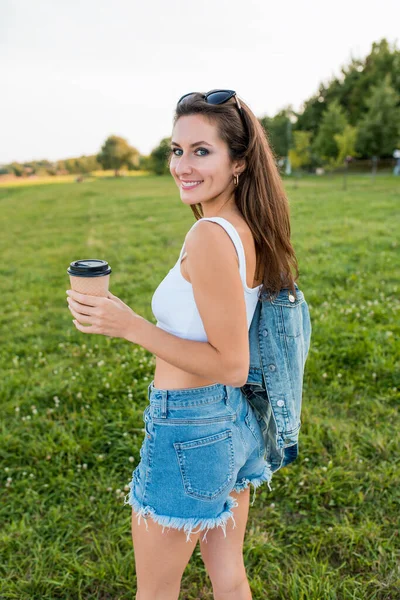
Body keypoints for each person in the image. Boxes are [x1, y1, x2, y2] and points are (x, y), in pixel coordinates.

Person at [123, 90, 303, 600]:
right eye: (176, 150)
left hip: (190, 425)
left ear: (238, 162)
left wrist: (130, 325)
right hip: (233, 422)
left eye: (202, 151)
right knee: (229, 577)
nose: (183, 164)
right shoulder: (247, 229)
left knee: (154, 592)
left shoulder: (210, 235)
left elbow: (230, 363)